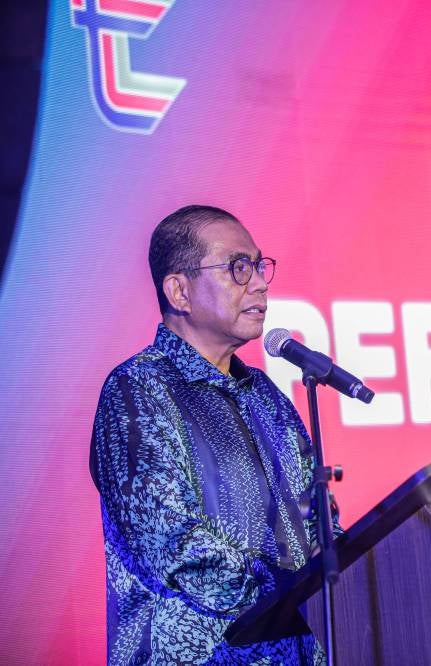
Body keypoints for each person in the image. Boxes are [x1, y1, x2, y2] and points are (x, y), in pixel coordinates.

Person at [90, 205, 331, 664]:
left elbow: (318, 519)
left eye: (260, 266)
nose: (259, 282)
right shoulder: (137, 391)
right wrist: (294, 592)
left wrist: (340, 572)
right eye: (239, 267)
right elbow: (174, 544)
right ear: (179, 291)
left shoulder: (265, 394)